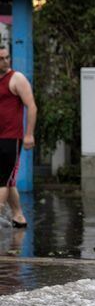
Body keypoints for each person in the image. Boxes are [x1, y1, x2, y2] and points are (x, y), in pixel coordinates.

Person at [0, 47, 37, 228]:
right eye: (1, 59)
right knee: (8, 180)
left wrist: (29, 134)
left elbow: (31, 106)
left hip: (11, 137)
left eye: (7, 58)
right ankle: (18, 216)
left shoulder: (17, 79)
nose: (5, 61)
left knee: (1, 181)